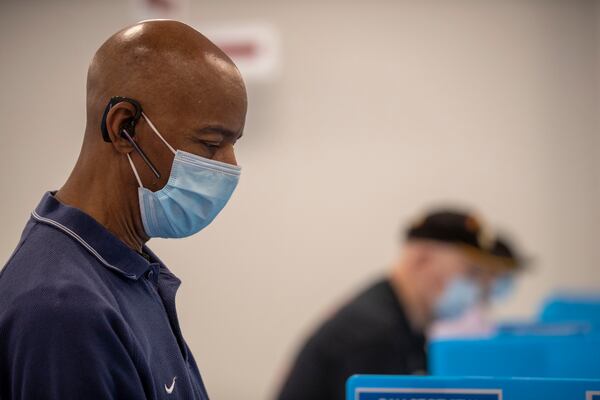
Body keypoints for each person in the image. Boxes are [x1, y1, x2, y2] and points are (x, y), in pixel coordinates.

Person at [0, 20, 247, 399]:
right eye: (212, 144)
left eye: (234, 144)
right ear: (122, 127)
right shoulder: (65, 309)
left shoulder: (125, 270)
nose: (229, 167)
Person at [276, 210, 522, 400]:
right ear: (422, 258)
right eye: (470, 273)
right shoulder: (373, 333)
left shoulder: (400, 320)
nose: (478, 289)